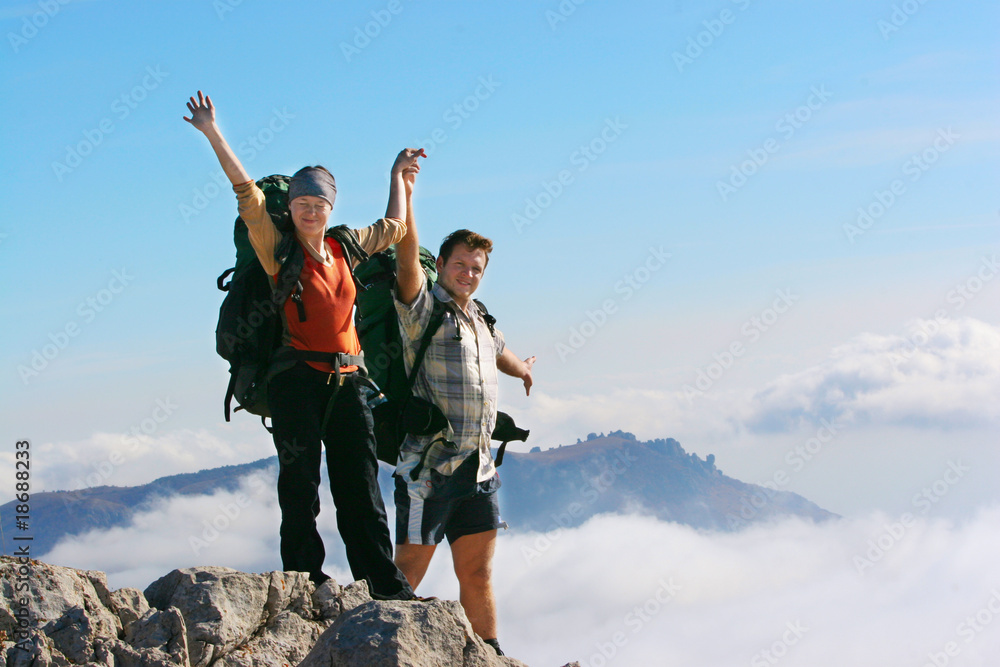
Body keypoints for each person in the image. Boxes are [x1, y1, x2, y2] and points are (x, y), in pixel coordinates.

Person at [183, 90, 424, 599]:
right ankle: (303, 581)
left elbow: (395, 227)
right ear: (289, 207)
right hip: (297, 381)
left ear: (330, 206)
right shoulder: (277, 249)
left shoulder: (346, 246)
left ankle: (383, 585)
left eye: (318, 204)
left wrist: (398, 177)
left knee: (359, 490)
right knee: (300, 487)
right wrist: (212, 133)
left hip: (350, 382)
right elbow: (248, 195)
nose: (310, 212)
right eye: (301, 203)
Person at [391, 166, 536, 655]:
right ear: (442, 263)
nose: (469, 274)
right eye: (461, 264)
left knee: (477, 572)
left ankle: (489, 653)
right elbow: (406, 256)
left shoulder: (479, 317)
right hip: (430, 470)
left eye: (477, 268)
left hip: (479, 471)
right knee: (406, 574)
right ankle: (378, 649)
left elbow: (500, 351)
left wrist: (524, 370)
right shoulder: (422, 309)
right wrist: (406, 193)